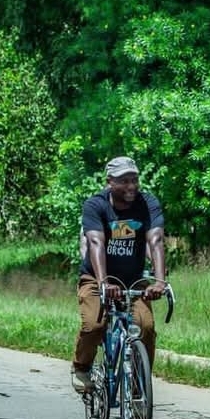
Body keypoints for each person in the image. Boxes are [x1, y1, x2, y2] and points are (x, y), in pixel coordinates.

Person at [73, 156, 167, 393]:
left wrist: (159, 281)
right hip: (96, 278)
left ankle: (138, 389)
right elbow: (96, 242)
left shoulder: (148, 203)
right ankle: (81, 368)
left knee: (145, 327)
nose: (131, 186)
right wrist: (104, 282)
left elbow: (155, 240)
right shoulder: (95, 205)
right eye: (124, 181)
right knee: (95, 325)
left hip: (133, 280)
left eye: (134, 180)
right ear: (110, 182)